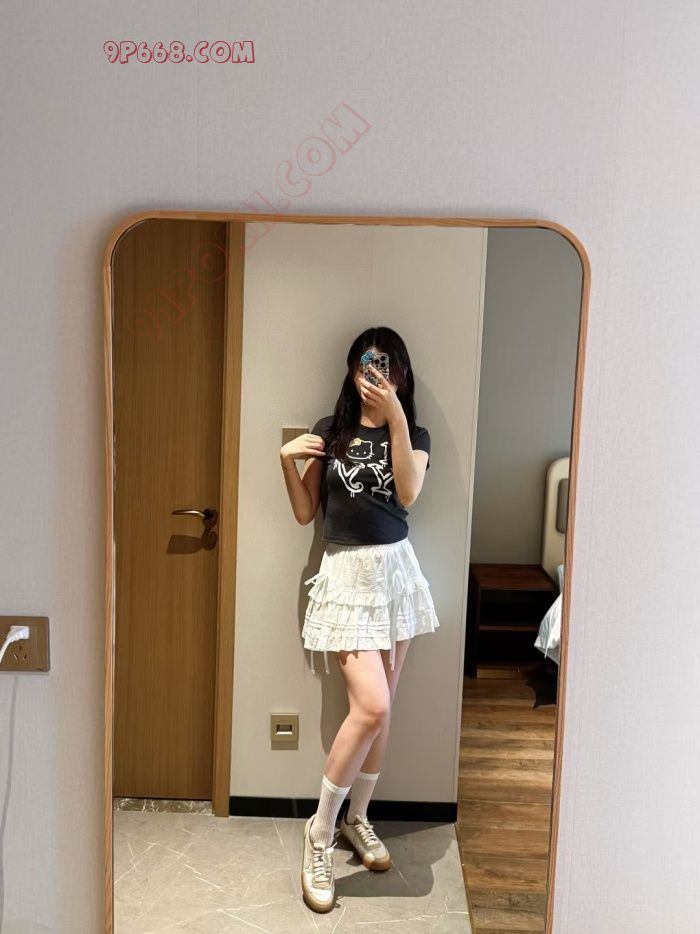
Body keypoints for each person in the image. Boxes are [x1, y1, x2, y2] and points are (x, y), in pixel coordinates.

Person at [279, 326, 440, 913]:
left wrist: (395, 417)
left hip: (394, 574)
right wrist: (285, 461)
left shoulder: (415, 434)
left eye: (387, 367)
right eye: (368, 365)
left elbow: (409, 493)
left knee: (383, 710)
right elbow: (306, 513)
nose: (377, 376)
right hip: (345, 575)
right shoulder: (332, 431)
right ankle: (319, 834)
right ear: (351, 371)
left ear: (402, 375)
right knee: (370, 706)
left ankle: (358, 819)